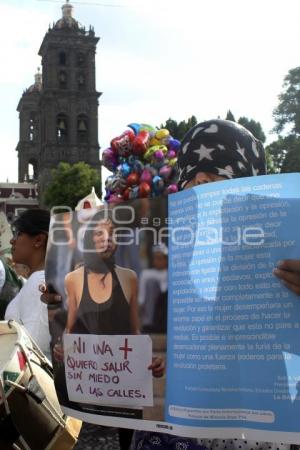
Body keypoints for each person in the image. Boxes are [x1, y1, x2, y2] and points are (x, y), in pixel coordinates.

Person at [131, 119, 291, 450]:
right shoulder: (184, 248)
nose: (203, 186)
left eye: (218, 179)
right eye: (193, 179)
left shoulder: (284, 239)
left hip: (257, 425)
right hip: (181, 421)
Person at [51, 208, 163, 450]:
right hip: (90, 376)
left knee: (127, 441)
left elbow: (135, 330)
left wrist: (148, 358)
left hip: (122, 376)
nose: (106, 239)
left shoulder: (129, 278)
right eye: (99, 234)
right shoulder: (74, 279)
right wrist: (63, 349)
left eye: (111, 234)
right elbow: (69, 328)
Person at [5, 208, 51, 358]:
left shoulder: (39, 282)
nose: (12, 240)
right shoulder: (39, 280)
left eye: (18, 234)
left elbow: (32, 349)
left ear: (38, 240)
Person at [139, 243, 168, 333]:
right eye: (155, 258)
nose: (157, 261)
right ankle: (148, 324)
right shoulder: (146, 274)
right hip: (151, 315)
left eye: (160, 258)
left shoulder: (171, 274)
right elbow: (141, 298)